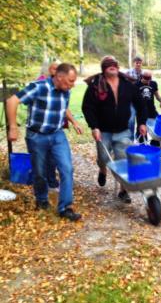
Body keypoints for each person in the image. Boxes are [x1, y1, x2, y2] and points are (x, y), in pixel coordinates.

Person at [6, 63, 82, 221]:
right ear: (59, 77)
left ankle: (65, 208)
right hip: (37, 136)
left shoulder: (65, 91)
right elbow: (12, 101)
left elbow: (63, 108)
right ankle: (41, 200)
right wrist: (13, 127)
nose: (72, 85)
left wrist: (74, 121)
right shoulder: (39, 87)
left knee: (67, 168)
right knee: (40, 173)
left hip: (57, 135)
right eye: (70, 81)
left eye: (74, 81)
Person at [82, 56, 147, 203]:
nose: (112, 66)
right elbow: (88, 108)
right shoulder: (95, 85)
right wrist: (94, 126)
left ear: (117, 67)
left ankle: (123, 191)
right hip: (103, 131)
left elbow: (140, 104)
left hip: (123, 131)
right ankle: (103, 169)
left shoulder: (128, 84)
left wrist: (142, 122)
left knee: (123, 161)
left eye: (114, 64)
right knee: (103, 158)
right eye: (108, 64)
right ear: (103, 68)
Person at [36, 61, 82, 191]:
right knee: (42, 160)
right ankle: (43, 186)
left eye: (58, 69)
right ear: (49, 70)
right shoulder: (41, 83)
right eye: (53, 69)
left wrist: (74, 122)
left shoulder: (64, 88)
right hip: (40, 131)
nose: (56, 71)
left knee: (53, 158)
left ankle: (52, 181)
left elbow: (65, 107)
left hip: (56, 129)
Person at [125, 56, 144, 140]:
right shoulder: (128, 72)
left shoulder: (144, 73)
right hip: (131, 100)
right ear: (134, 63)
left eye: (139, 62)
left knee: (141, 120)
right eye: (136, 62)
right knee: (131, 120)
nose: (138, 64)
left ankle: (139, 138)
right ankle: (131, 139)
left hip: (141, 99)